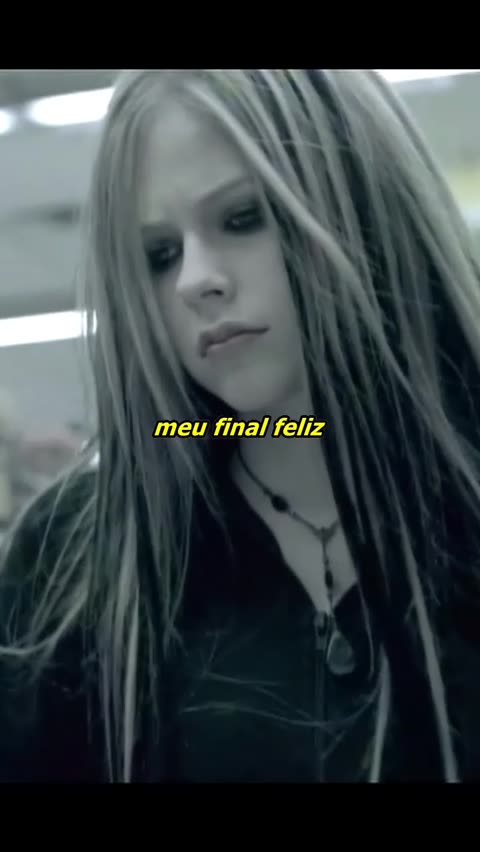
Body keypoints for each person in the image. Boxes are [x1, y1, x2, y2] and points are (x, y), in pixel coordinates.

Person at [1, 69, 480, 784]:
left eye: (243, 218)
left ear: (362, 206)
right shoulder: (73, 564)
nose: (195, 280)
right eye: (159, 256)